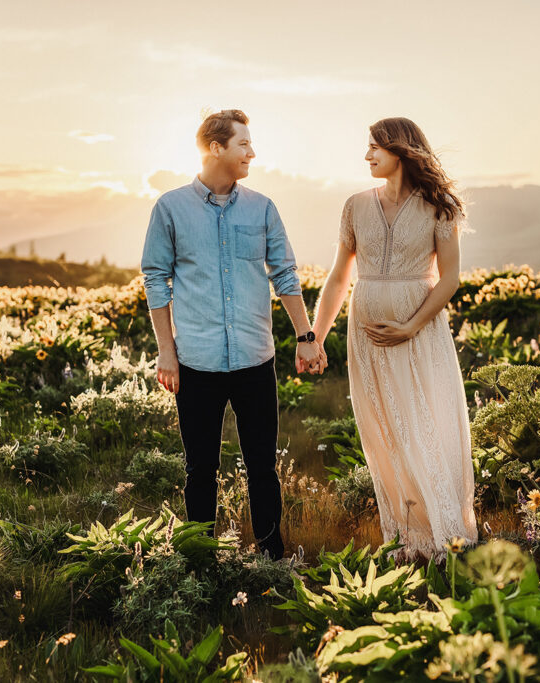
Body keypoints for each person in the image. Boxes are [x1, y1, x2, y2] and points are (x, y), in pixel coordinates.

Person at [141, 109, 326, 559]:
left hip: (255, 361)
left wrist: (307, 337)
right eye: (243, 144)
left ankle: (271, 557)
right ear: (215, 148)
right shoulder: (170, 208)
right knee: (200, 469)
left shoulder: (262, 207)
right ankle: (200, 562)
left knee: (263, 467)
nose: (252, 152)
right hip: (196, 363)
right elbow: (154, 278)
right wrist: (166, 352)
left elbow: (284, 274)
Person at [311, 117, 478, 561]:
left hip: (419, 336)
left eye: (374, 149)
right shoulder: (354, 206)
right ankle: (405, 536)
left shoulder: (439, 207)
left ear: (400, 151)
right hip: (365, 340)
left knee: (427, 424)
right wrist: (315, 336)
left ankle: (446, 535)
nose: (367, 156)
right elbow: (337, 278)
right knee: (382, 430)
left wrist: (411, 324)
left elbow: (451, 278)